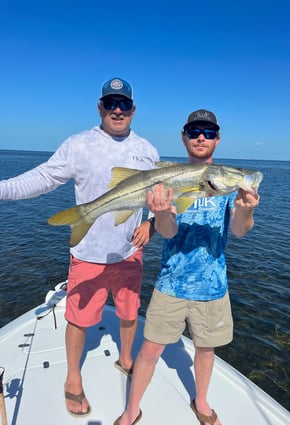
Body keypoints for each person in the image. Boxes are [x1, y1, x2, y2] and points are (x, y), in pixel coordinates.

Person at [0, 77, 160, 416]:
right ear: (100, 107)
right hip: (88, 253)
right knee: (79, 318)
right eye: (111, 104)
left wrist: (151, 224)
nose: (118, 110)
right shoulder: (78, 144)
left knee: (130, 313)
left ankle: (127, 358)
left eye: (125, 105)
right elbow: (42, 178)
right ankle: (73, 378)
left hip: (130, 252)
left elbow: (159, 196)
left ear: (133, 110)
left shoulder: (147, 150)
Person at [114, 109, 261, 425]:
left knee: (206, 351)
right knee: (151, 349)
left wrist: (245, 211)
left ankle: (202, 402)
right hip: (171, 283)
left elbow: (238, 230)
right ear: (184, 137)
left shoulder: (225, 187)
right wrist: (162, 212)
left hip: (214, 286)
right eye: (195, 131)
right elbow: (166, 231)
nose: (201, 137)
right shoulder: (170, 176)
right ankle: (131, 410)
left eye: (208, 133)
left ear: (217, 140)